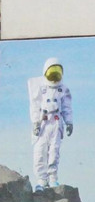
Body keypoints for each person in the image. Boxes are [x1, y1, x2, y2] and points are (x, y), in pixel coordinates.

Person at [28, 57, 73, 191]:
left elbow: (67, 107)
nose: (54, 76)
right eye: (52, 72)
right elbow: (35, 105)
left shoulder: (62, 89)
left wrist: (69, 122)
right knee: (40, 151)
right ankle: (41, 180)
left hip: (56, 122)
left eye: (56, 72)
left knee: (54, 151)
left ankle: (53, 178)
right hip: (43, 122)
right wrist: (35, 122)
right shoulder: (39, 87)